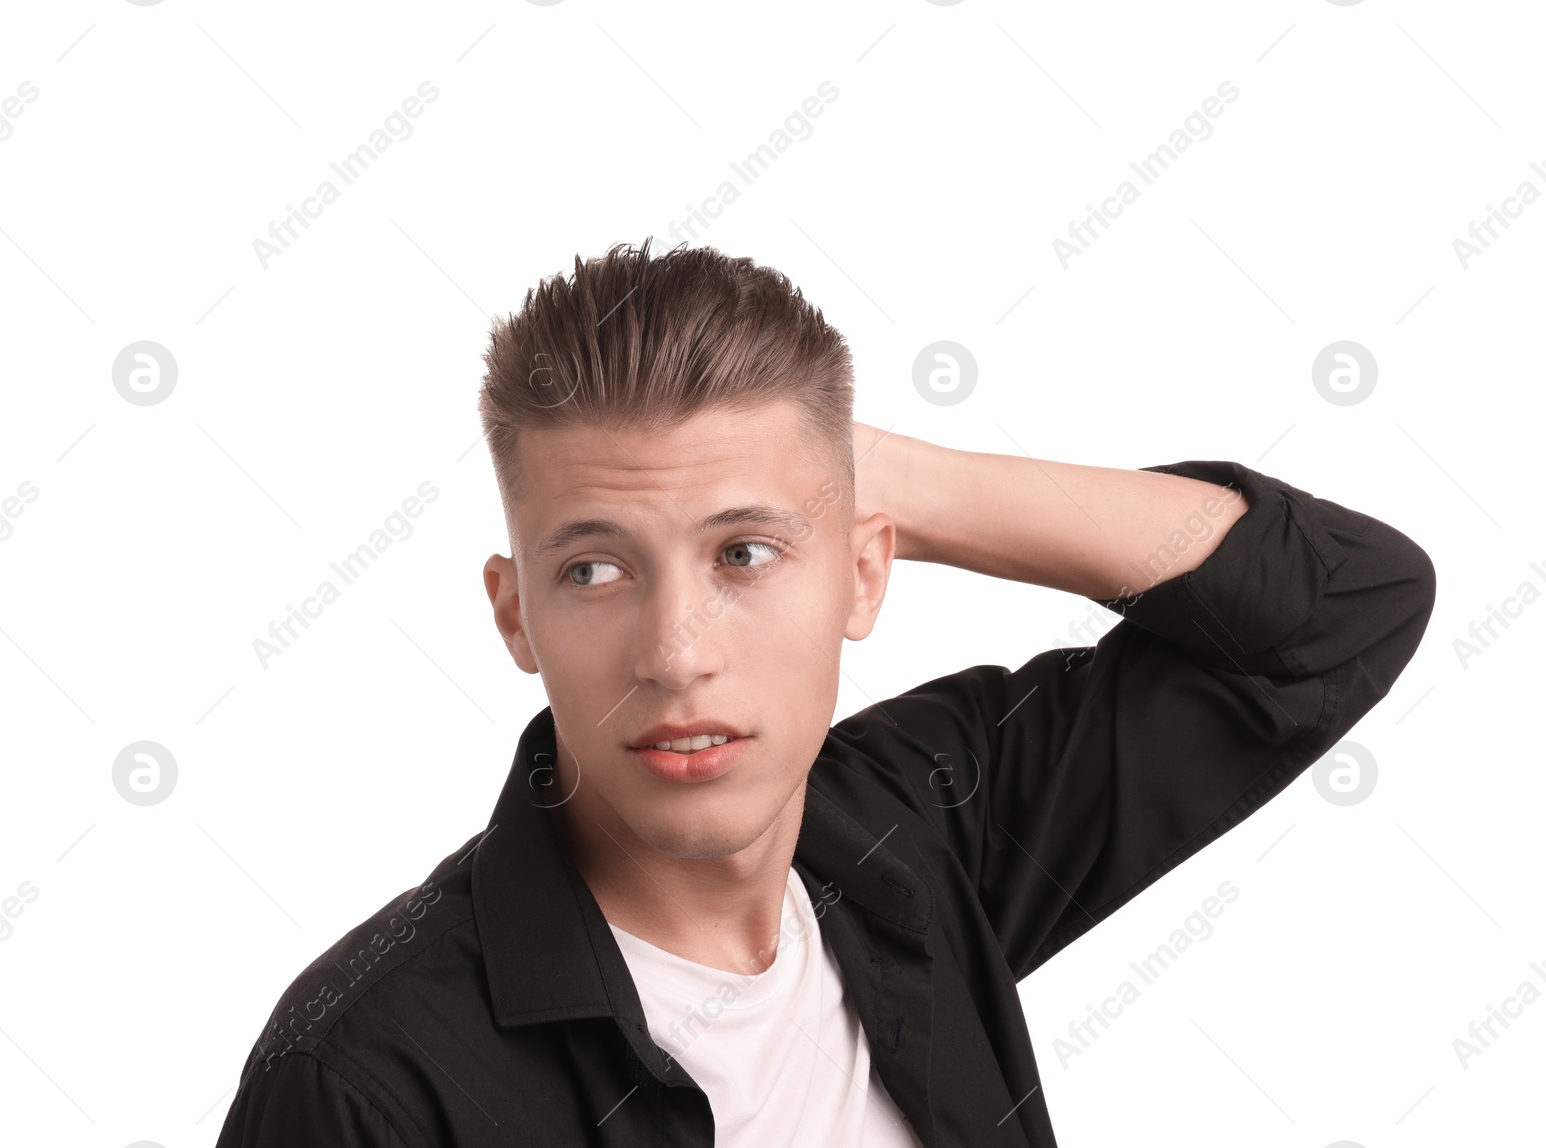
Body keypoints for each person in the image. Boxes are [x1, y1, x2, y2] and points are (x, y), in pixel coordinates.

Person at [214, 240, 1436, 1147]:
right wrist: (768, 497)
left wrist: (869, 471)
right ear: (513, 611)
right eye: (594, 567)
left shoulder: (919, 829)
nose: (677, 652)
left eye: (744, 553)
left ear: (862, 569)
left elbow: (1334, 613)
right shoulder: (364, 1078)